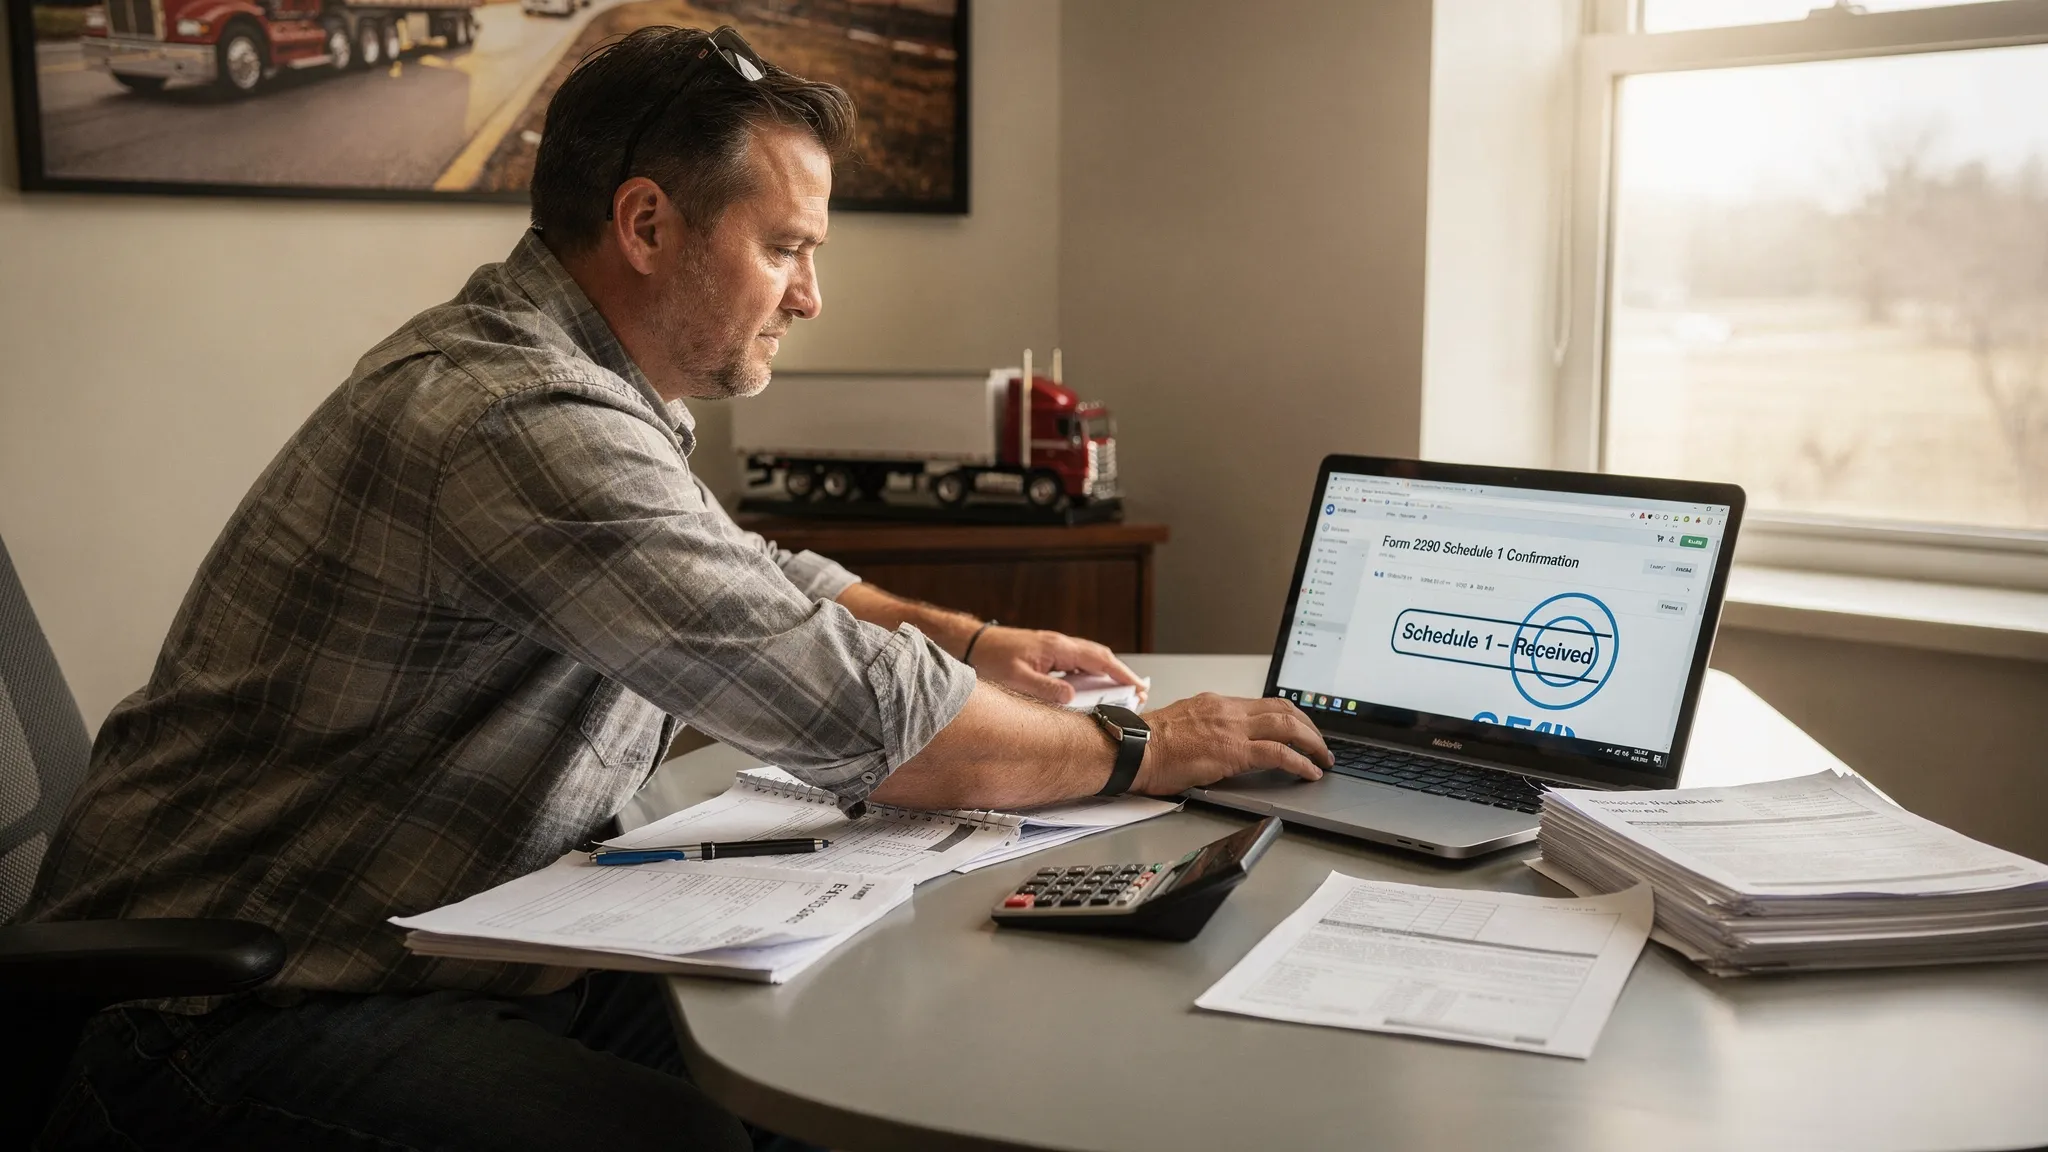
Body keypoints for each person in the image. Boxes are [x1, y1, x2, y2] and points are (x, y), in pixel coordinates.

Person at [27, 25, 1331, 1152]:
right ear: (649, 224)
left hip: (442, 938)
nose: (812, 297)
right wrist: (1149, 743)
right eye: (786, 247)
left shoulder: (577, 380)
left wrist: (976, 637)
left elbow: (752, 573)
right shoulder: (516, 417)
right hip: (225, 1010)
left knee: (835, 1046)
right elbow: (873, 722)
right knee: (689, 1137)